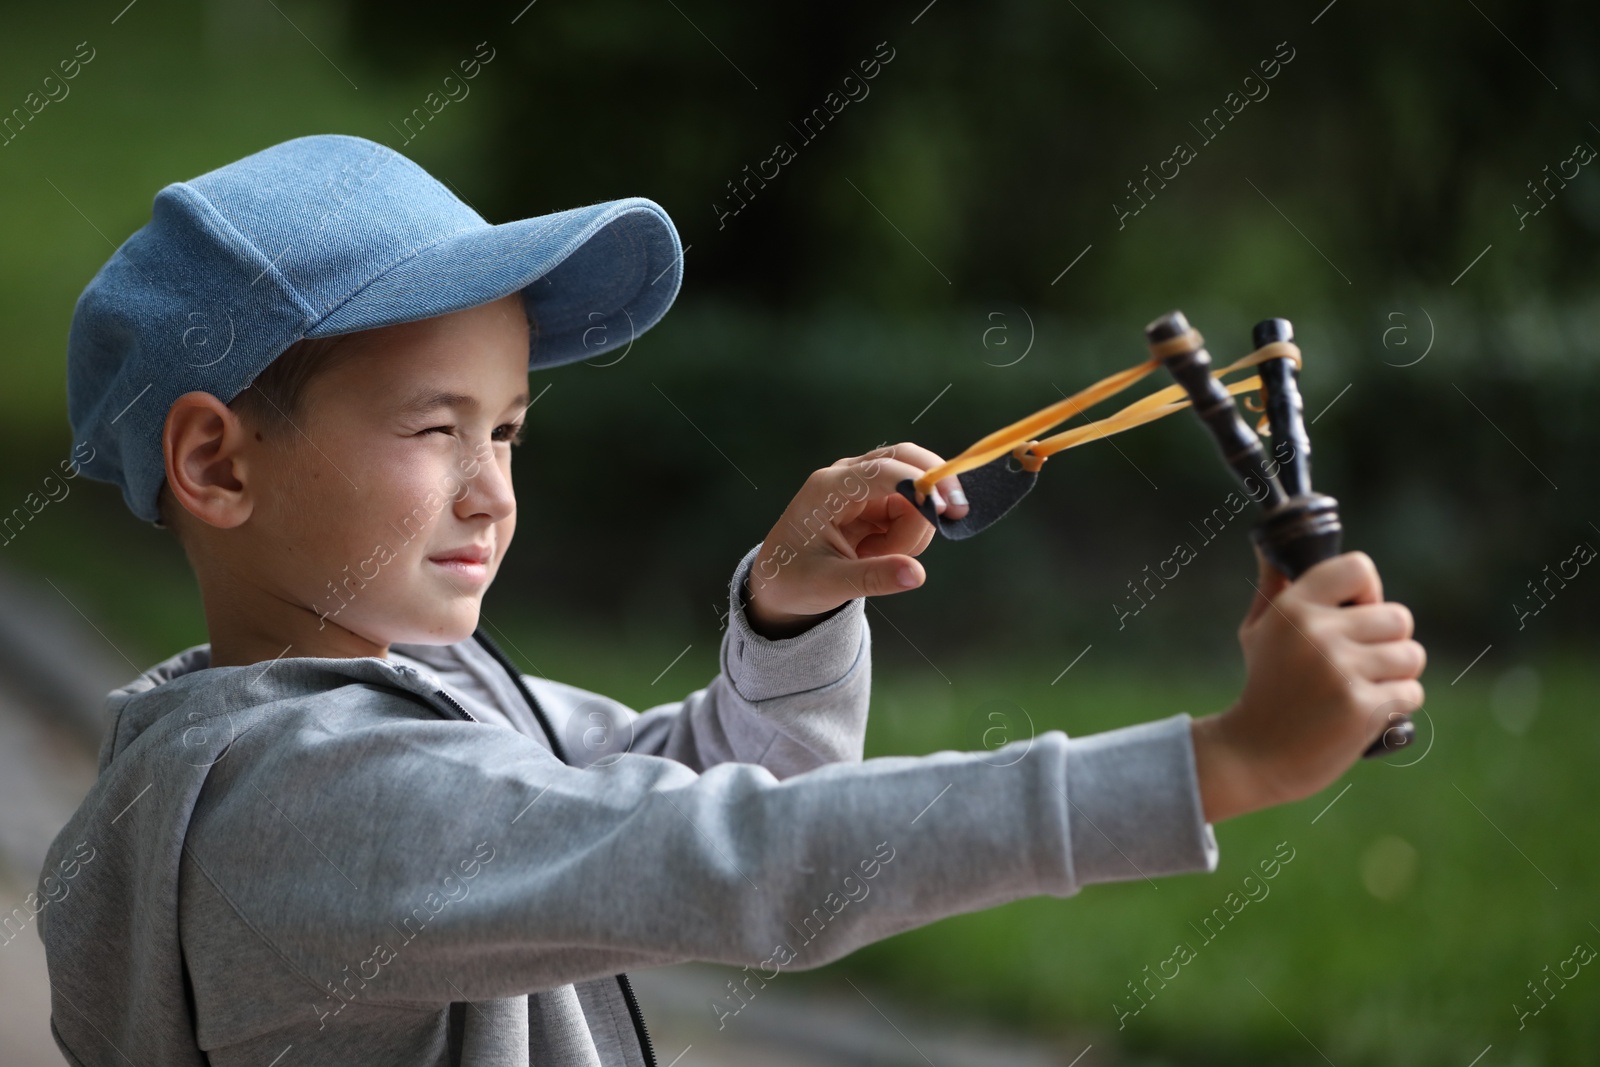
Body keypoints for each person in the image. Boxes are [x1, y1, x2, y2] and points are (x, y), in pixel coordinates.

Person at [41, 133, 1426, 1066]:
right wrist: (1222, 762)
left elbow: (707, 783)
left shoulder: (391, 702)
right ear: (218, 462)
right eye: (432, 431)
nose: (489, 491)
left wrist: (795, 608)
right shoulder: (302, 803)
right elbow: (748, 860)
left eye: (509, 431)